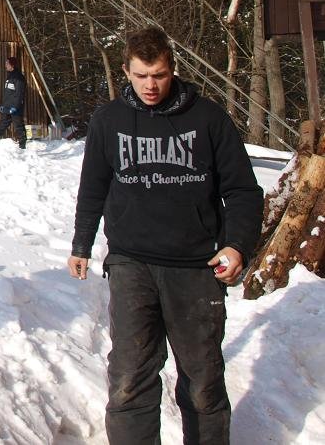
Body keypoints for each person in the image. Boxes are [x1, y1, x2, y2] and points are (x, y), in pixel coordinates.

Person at [67, 26, 264, 445]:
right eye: (141, 76)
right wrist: (81, 244)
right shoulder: (109, 120)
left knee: (203, 380)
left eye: (158, 74)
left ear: (172, 69)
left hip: (195, 268)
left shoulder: (208, 118)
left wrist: (236, 244)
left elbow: (244, 190)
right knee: (129, 378)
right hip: (130, 262)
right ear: (127, 71)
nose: (150, 85)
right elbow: (93, 187)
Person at [0, 55, 27, 148]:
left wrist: (15, 106)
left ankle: (23, 146)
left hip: (15, 108)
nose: (5, 65)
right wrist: (3, 105)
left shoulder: (19, 77)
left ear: (12, 65)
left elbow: (19, 93)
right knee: (2, 125)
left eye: (7, 63)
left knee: (18, 126)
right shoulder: (9, 76)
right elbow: (8, 93)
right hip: (7, 106)